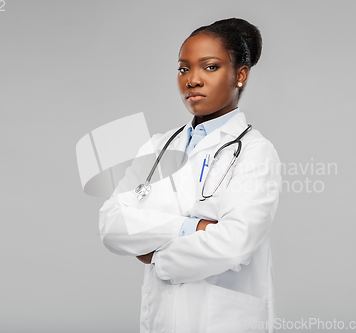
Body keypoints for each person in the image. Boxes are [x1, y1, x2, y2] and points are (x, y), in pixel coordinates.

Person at [99, 17, 282, 333]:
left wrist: (156, 257)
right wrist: (192, 227)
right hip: (162, 318)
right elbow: (112, 225)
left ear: (240, 75)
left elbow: (235, 243)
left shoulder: (255, 151)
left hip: (224, 321)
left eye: (209, 67)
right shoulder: (158, 147)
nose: (192, 80)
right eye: (184, 69)